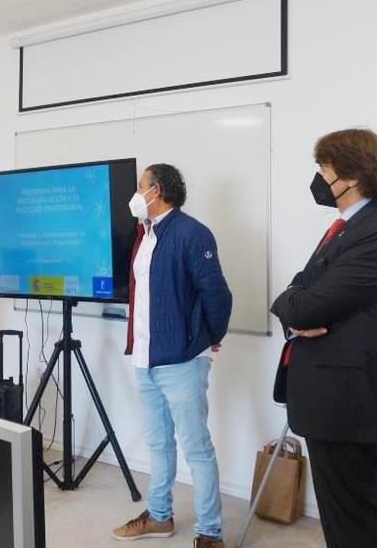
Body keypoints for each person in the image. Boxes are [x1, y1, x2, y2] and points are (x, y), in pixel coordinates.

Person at [270, 129, 377, 547]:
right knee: (343, 521)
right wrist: (298, 303)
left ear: (351, 175)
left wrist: (297, 304)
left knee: (356, 524)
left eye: (323, 169)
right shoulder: (350, 228)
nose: (318, 178)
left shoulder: (376, 234)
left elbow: (303, 304)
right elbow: (302, 289)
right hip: (335, 403)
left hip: (350, 405)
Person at [111, 164, 233, 548]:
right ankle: (160, 516)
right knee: (159, 444)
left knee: (196, 448)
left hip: (181, 361)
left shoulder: (193, 234)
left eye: (140, 186)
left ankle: (210, 532)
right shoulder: (143, 235)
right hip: (145, 359)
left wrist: (210, 334)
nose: (135, 193)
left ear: (156, 190)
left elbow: (217, 294)